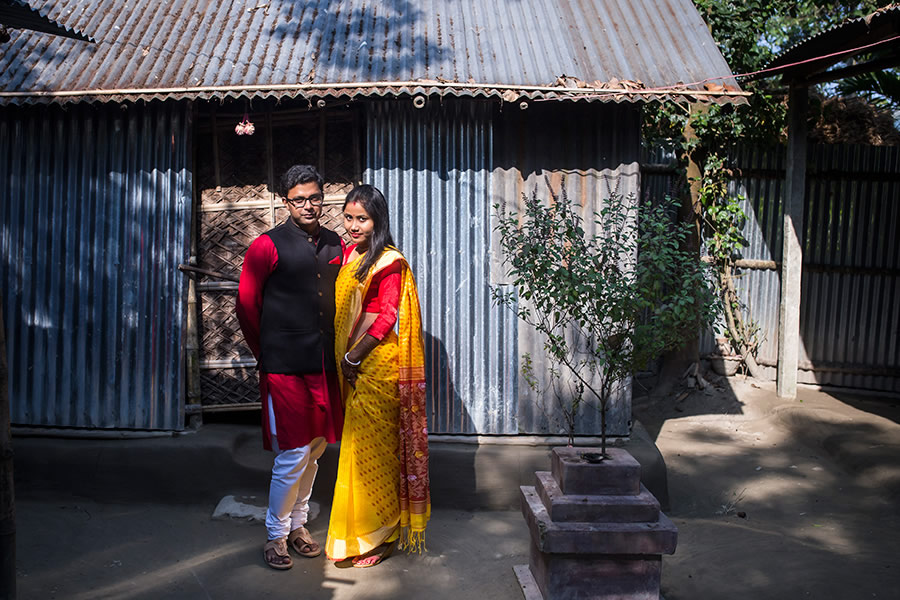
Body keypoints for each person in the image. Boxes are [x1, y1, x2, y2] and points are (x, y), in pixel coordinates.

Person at [236, 164, 345, 570]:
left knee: (315, 450)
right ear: (286, 202)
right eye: (299, 199)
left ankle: (299, 526)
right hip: (284, 366)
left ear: (322, 197)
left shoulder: (336, 244)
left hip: (324, 365)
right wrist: (265, 353)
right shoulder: (267, 245)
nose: (308, 205)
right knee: (293, 452)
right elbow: (246, 305)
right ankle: (275, 535)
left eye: (315, 197)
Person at [325, 184, 431, 568]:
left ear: (377, 221)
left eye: (362, 219)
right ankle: (357, 536)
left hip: (375, 369)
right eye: (349, 217)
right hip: (352, 366)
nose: (353, 226)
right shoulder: (350, 255)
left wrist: (352, 358)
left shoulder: (389, 261)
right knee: (354, 455)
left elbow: (386, 318)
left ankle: (381, 535)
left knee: (376, 457)